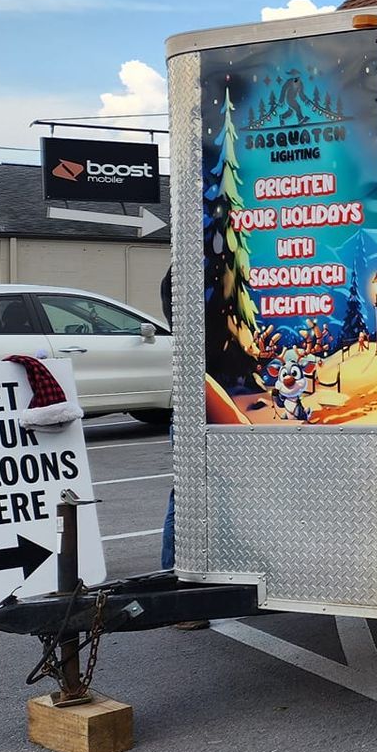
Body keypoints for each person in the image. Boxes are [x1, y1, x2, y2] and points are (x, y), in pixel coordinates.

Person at [159, 269, 204, 629]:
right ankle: (179, 594)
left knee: (191, 496)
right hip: (194, 406)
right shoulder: (187, 271)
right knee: (188, 498)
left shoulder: (179, 273)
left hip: (193, 404)